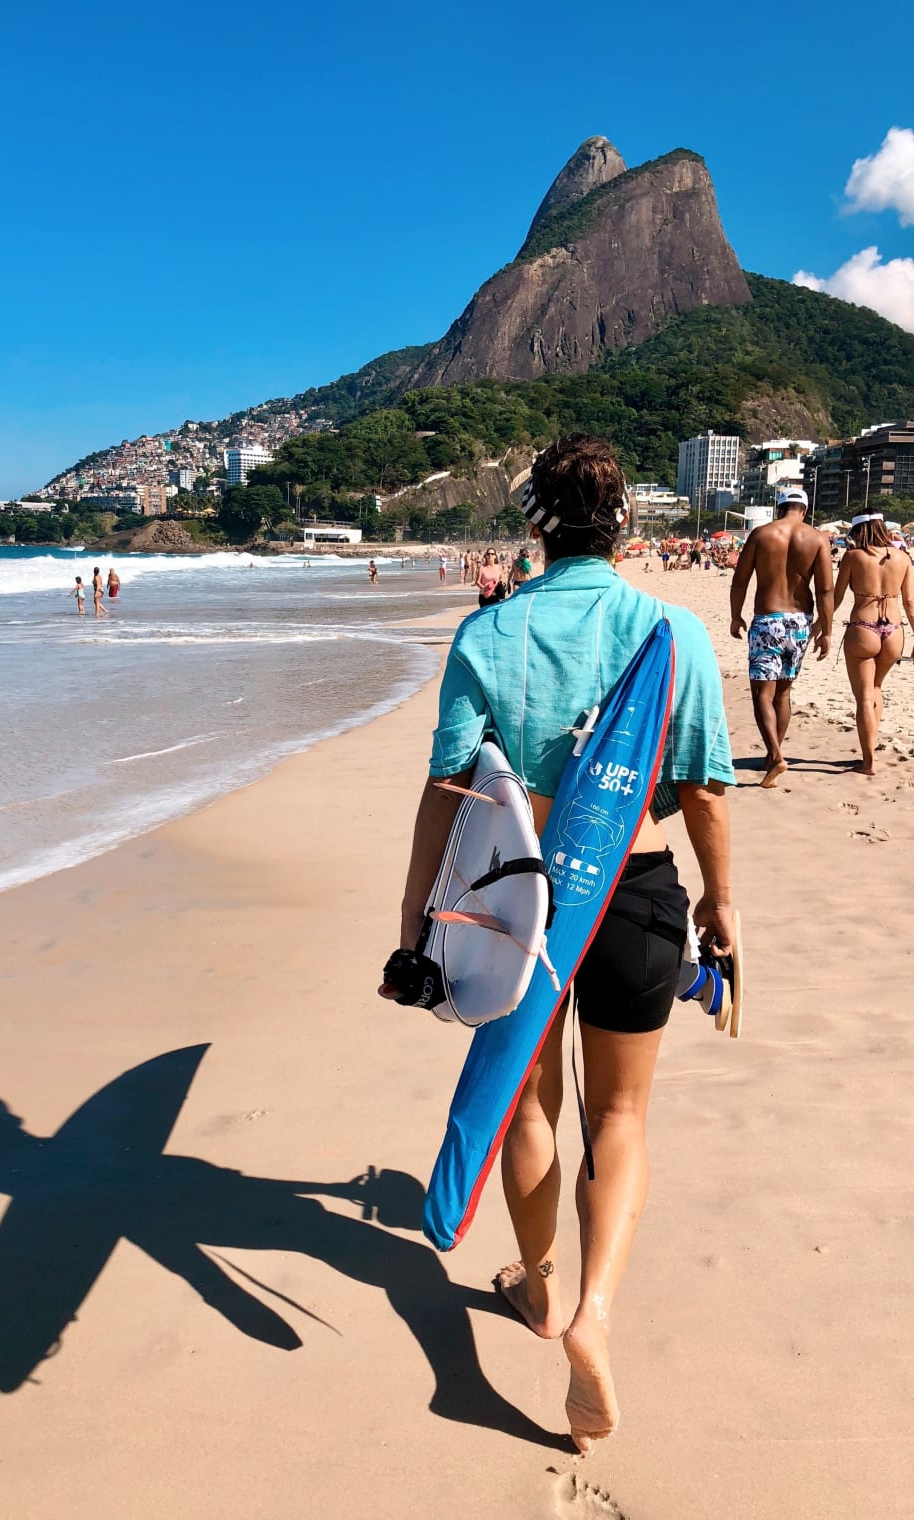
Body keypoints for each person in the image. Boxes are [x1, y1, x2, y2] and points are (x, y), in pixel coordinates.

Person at [380, 434, 734, 1453]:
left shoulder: (489, 635)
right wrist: (724, 903)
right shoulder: (668, 630)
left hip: (518, 905)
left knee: (529, 1099)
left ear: (535, 521)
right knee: (618, 1113)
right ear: (625, 523)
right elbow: (704, 787)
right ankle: (596, 1312)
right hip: (640, 887)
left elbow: (451, 788)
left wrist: (416, 921)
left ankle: (535, 1287)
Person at [729, 487, 833, 788]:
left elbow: (740, 580)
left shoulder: (762, 534)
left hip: (767, 621)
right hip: (799, 623)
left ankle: (774, 755)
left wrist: (736, 615)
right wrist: (826, 631)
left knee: (762, 694)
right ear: (805, 509)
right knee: (783, 694)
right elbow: (825, 590)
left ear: (780, 507)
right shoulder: (817, 539)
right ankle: (773, 752)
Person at [833, 512, 914, 775]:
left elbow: (835, 598)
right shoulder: (903, 558)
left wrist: (820, 627)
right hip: (894, 630)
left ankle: (868, 762)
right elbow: (910, 602)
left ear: (858, 532)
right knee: (877, 687)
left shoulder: (854, 557)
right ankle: (871, 750)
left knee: (864, 696)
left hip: (863, 628)